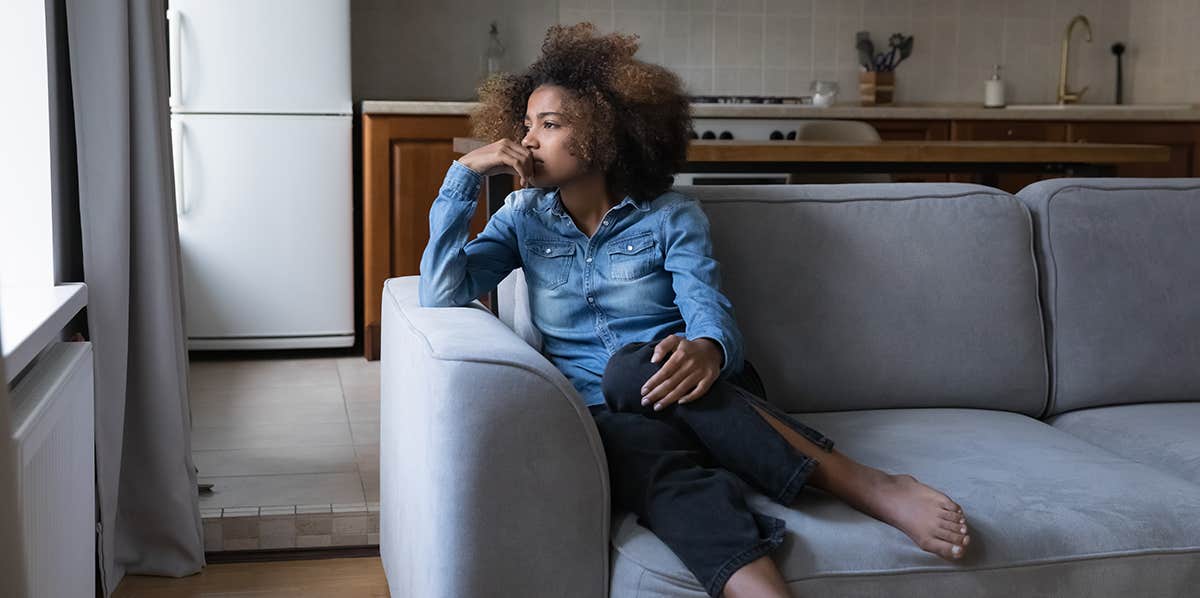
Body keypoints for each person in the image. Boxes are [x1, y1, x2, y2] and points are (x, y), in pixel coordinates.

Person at [419, 22, 970, 598]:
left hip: (698, 389)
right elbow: (440, 290)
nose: (528, 142)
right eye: (526, 125)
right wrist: (462, 178)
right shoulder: (521, 219)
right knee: (642, 458)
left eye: (550, 125)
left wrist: (707, 348)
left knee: (630, 369)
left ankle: (864, 483)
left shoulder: (670, 217)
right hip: (611, 416)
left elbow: (708, 308)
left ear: (608, 132)